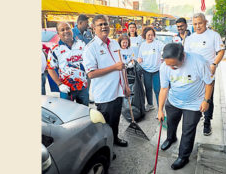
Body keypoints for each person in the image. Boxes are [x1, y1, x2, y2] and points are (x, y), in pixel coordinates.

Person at [158, 43, 214, 170]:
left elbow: (209, 83)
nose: (171, 68)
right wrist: (160, 110)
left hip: (194, 104)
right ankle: (171, 138)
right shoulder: (164, 67)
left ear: (183, 57)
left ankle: (183, 156)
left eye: (174, 65)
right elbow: (164, 88)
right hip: (173, 101)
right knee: (171, 123)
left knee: (188, 130)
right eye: (169, 65)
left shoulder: (199, 62)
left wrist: (206, 100)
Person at [83, 15, 131, 147]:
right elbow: (91, 74)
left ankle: (114, 139)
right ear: (93, 28)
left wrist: (126, 86)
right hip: (105, 95)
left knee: (115, 120)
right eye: (100, 25)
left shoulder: (115, 43)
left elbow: (122, 66)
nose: (104, 27)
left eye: (105, 24)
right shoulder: (90, 48)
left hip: (118, 91)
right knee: (105, 124)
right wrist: (114, 67)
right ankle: (107, 147)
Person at [184, 13, 225, 136]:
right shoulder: (190, 38)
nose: (197, 26)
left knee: (208, 98)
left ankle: (207, 122)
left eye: (200, 23)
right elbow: (186, 55)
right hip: (193, 74)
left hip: (208, 73)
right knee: (194, 96)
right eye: (195, 24)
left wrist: (214, 64)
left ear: (205, 22)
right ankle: (193, 120)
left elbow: (221, 51)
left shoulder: (214, 36)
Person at [47, 22, 89, 106]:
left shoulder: (82, 44)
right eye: (62, 30)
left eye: (68, 28)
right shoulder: (55, 49)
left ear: (72, 29)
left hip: (83, 87)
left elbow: (89, 62)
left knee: (84, 112)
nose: (66, 31)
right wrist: (60, 84)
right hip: (66, 89)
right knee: (67, 114)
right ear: (58, 34)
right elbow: (50, 68)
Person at [137, 27, 165, 112]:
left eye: (152, 35)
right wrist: (139, 60)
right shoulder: (143, 45)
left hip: (156, 70)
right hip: (146, 70)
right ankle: (150, 104)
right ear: (144, 35)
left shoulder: (158, 43)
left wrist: (163, 57)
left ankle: (160, 109)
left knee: (157, 89)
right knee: (148, 88)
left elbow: (164, 50)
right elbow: (140, 57)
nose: (150, 37)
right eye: (148, 35)